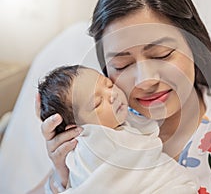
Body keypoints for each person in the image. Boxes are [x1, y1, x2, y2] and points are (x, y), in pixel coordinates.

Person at [32, 0, 211, 193]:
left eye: (161, 55)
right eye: (122, 65)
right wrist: (62, 175)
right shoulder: (104, 123)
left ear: (194, 46)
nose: (146, 80)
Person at [38, 65, 198, 193]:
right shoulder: (91, 144)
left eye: (109, 84)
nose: (112, 94)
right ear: (76, 129)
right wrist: (60, 178)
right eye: (97, 102)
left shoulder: (127, 116)